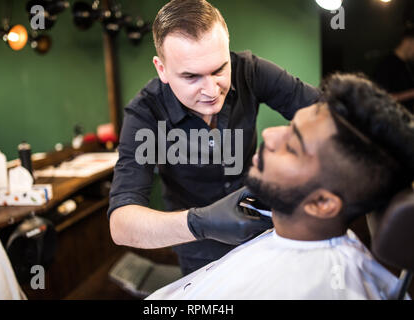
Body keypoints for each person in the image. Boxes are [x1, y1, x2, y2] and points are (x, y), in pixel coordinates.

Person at [146, 73, 414, 299]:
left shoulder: (318, 288)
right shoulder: (295, 234)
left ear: (322, 203)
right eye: (289, 125)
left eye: (292, 146)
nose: (269, 134)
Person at [108, 0, 319, 275]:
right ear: (162, 69)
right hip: (199, 249)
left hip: (264, 230)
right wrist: (201, 222)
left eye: (219, 70)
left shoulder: (250, 71)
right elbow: (121, 224)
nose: (210, 90)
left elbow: (324, 113)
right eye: (191, 76)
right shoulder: (145, 114)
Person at [374, 25, 414, 113]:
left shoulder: (407, 65)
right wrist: (411, 93)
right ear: (408, 41)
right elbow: (382, 98)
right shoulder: (386, 65)